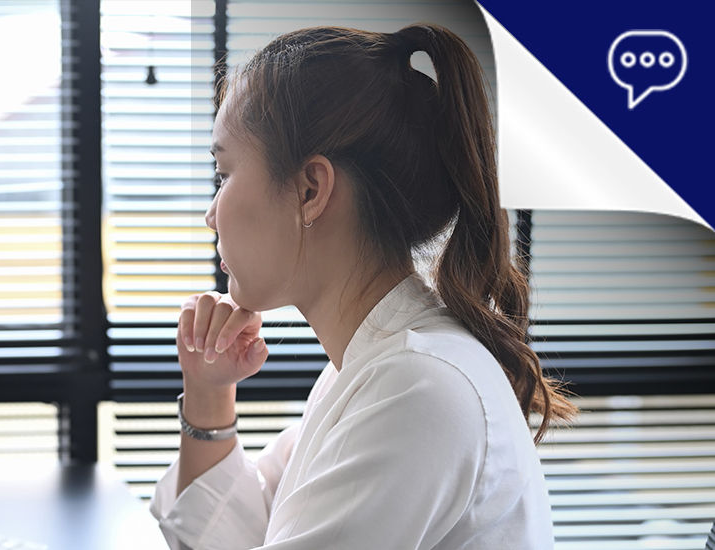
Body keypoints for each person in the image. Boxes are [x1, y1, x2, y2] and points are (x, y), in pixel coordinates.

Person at [149, 24, 578, 549]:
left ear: (311, 189)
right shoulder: (371, 369)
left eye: (223, 174)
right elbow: (247, 527)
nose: (211, 215)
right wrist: (209, 392)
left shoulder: (417, 387)